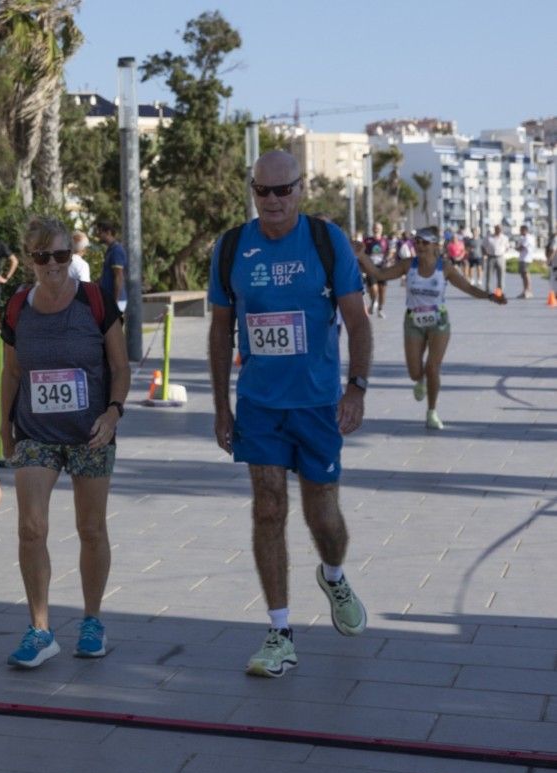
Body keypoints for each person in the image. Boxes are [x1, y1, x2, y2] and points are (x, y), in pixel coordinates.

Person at [207, 150, 372, 678]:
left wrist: (356, 388)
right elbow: (219, 330)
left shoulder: (326, 241)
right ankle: (280, 631)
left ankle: (334, 574)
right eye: (263, 190)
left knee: (323, 516)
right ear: (252, 191)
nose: (273, 200)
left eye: (284, 190)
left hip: (318, 404)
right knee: (268, 507)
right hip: (260, 405)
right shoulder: (232, 247)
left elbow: (358, 321)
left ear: (301, 189)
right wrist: (221, 406)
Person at [0, 217, 129, 668]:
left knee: (91, 529)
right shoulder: (18, 307)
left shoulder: (94, 300)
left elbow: (121, 367)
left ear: (71, 256)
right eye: (42, 256)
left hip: (91, 433)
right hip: (36, 434)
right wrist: (4, 429)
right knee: (31, 528)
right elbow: (12, 372)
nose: (52, 264)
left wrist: (113, 412)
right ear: (30, 260)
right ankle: (40, 629)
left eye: (60, 255)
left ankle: (92, 620)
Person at [354, 225, 505, 431]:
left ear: (435, 245)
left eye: (424, 242)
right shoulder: (408, 265)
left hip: (438, 322)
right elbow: (379, 274)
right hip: (413, 321)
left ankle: (432, 411)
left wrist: (490, 296)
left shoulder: (445, 268)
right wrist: (362, 256)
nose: (420, 246)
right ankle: (420, 380)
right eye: (417, 242)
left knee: (433, 367)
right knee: (415, 372)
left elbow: (468, 287)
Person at [98, 222, 128, 313]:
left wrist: (115, 301)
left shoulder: (116, 251)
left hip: (116, 301)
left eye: (100, 232)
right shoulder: (110, 250)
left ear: (108, 232)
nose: (98, 235)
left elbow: (119, 276)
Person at [361, 223, 390, 318]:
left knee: (382, 291)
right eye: (374, 228)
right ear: (372, 229)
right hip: (371, 268)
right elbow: (362, 253)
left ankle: (380, 309)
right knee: (374, 289)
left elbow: (389, 252)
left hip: (382, 268)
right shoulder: (367, 240)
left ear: (381, 229)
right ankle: (374, 301)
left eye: (378, 228)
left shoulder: (385, 241)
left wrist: (388, 259)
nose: (376, 229)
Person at [514, 224, 535, 299]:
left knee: (526, 274)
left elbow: (521, 247)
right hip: (523, 258)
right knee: (523, 275)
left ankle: (528, 291)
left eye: (521, 230)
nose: (520, 232)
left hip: (526, 258)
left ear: (524, 230)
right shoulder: (524, 238)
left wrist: (516, 248)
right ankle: (525, 290)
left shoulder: (528, 238)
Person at [484, 225, 507, 294]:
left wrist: (502, 252)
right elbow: (483, 246)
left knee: (501, 275)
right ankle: (487, 290)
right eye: (497, 229)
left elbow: (507, 247)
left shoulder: (504, 238)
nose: (499, 230)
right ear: (495, 229)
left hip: (500, 257)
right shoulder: (489, 237)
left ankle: (499, 292)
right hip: (491, 257)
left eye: (500, 229)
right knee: (489, 275)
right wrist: (485, 254)